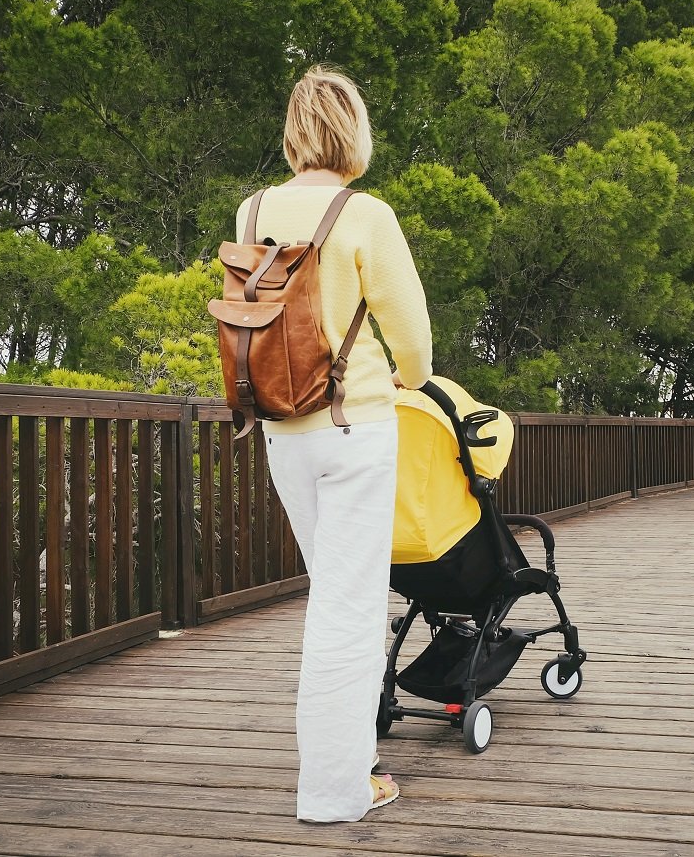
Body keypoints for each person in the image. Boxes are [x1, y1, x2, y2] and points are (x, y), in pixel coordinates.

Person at [236, 65, 432, 822]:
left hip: (282, 430)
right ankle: (337, 791)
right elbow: (411, 345)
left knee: (333, 598)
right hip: (355, 430)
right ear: (353, 131)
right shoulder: (366, 215)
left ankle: (353, 760)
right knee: (348, 612)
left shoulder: (253, 210)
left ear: (294, 132)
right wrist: (413, 381)